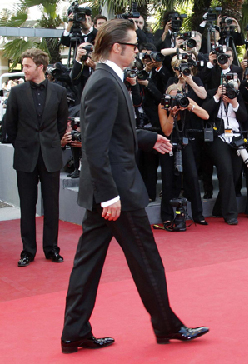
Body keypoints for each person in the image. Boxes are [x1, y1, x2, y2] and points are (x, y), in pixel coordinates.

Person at [61, 19, 208, 353]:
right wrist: (110, 194)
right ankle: (167, 325)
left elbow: (115, 133)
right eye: (133, 46)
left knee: (88, 263)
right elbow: (95, 145)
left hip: (109, 191)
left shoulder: (108, 79)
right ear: (117, 47)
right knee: (147, 260)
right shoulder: (103, 82)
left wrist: (149, 138)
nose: (138, 51)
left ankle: (74, 332)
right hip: (118, 193)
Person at [4, 48, 68, 267]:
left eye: (27, 65)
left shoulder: (59, 92)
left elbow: (61, 124)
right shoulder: (17, 92)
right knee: (27, 206)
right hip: (25, 155)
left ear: (40, 67)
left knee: (52, 206)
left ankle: (51, 249)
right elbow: (9, 125)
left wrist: (49, 141)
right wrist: (22, 143)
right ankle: (28, 251)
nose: (24, 69)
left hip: (50, 155)